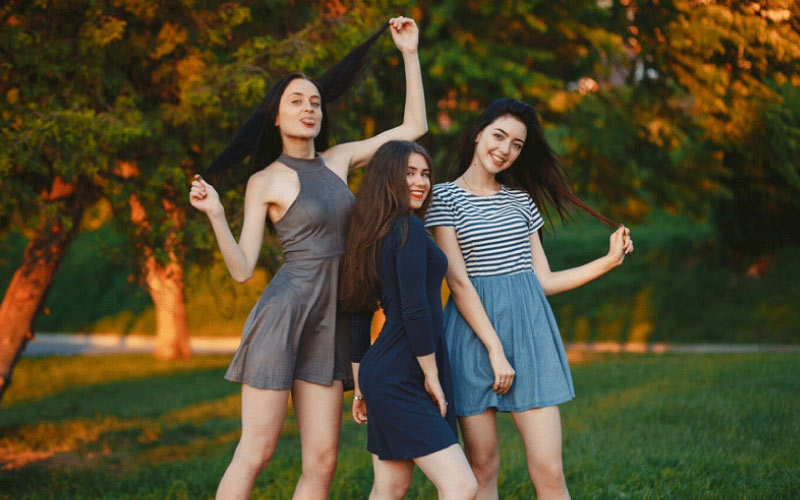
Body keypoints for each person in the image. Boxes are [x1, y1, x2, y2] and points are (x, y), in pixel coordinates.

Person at [189, 17, 426, 500]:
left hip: (334, 321)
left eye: (316, 101)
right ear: (275, 117)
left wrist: (409, 53)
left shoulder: (338, 159)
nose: (309, 108)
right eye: (296, 101)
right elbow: (241, 269)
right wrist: (216, 214)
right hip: (285, 317)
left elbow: (414, 128)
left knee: (323, 460)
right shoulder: (266, 181)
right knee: (257, 451)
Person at [424, 98, 634, 500]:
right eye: (499, 136)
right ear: (478, 133)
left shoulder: (521, 201)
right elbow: (460, 282)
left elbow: (544, 280)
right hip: (472, 339)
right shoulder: (444, 197)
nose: (504, 149)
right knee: (482, 471)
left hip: (529, 337)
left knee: (550, 472)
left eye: (516, 144)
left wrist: (607, 262)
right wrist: (494, 350)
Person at [339, 141, 478, 500]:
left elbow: (357, 316)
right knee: (462, 487)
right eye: (409, 173)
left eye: (425, 174)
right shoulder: (408, 229)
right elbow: (415, 307)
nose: (420, 182)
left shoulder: (370, 233)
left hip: (383, 372)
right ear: (388, 178)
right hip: (405, 373)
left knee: (391, 487)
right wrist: (431, 376)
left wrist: (362, 386)